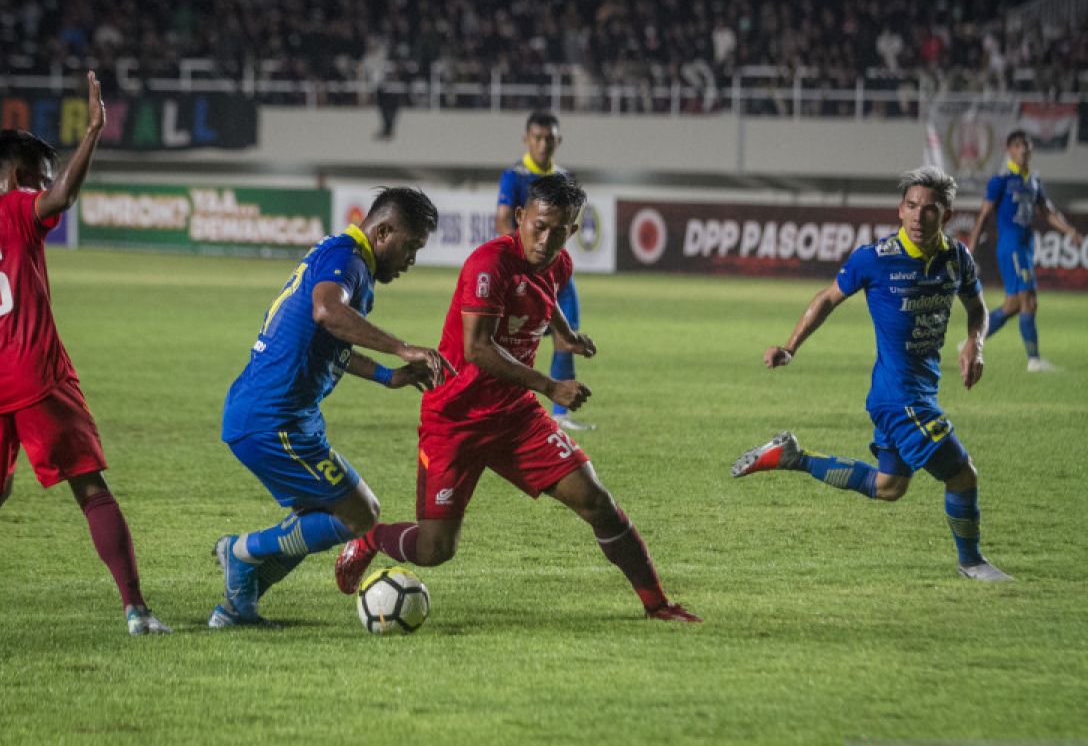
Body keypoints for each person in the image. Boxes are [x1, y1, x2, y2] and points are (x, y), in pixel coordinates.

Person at [336, 175, 701, 623]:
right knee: (434, 550)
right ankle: (371, 540)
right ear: (521, 217)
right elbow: (478, 348)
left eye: (561, 231)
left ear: (572, 231)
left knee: (596, 501)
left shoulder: (559, 263)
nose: (547, 241)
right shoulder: (488, 265)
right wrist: (550, 386)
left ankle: (657, 604)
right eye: (540, 227)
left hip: (515, 416)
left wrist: (565, 336)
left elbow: (546, 299)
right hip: (456, 417)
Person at [0, 72, 172, 634]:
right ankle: (137, 611)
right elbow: (64, 196)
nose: (43, 191)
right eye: (38, 180)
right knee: (91, 488)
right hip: (36, 377)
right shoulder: (20, 210)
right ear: (22, 178)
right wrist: (93, 130)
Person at [731, 165, 1011, 583]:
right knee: (962, 474)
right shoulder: (875, 259)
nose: (919, 217)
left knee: (888, 487)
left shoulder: (957, 259)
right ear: (900, 210)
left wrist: (977, 343)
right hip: (900, 398)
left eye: (929, 209)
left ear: (946, 216)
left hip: (916, 392)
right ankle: (971, 562)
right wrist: (790, 347)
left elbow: (978, 309)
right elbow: (827, 298)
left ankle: (793, 457)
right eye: (911, 207)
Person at [211, 188, 452, 627]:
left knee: (323, 517)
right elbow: (326, 311)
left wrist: (388, 376)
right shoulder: (350, 260)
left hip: (279, 416)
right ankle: (240, 551)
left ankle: (236, 606)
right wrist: (401, 347)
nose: (412, 258)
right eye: (411, 246)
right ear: (383, 232)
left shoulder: (342, 257)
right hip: (273, 420)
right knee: (359, 514)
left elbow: (330, 341)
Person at [495, 111, 594, 432]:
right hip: (526, 271)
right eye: (537, 138)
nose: (543, 144)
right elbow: (503, 221)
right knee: (512, 338)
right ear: (527, 139)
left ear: (558, 141)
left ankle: (560, 415)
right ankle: (503, 407)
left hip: (558, 272)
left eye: (549, 138)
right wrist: (517, 264)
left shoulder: (564, 176)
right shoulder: (514, 176)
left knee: (568, 338)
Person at [966, 129, 1083, 371]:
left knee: (1013, 305)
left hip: (1026, 246)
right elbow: (985, 213)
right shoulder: (1001, 180)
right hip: (1012, 246)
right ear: (1009, 150)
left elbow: (1048, 213)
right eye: (1018, 145)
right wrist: (972, 244)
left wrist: (1070, 231)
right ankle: (1034, 360)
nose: (1023, 149)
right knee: (1029, 300)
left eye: (1027, 145)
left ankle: (971, 342)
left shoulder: (1034, 181)